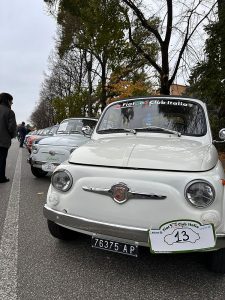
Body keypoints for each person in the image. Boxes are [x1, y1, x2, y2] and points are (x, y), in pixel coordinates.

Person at [0, 92, 17, 183]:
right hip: (3, 140)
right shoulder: (9, 112)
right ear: (7, 100)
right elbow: (12, 127)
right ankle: (1, 177)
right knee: (2, 160)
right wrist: (11, 136)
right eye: (11, 101)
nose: (12, 103)